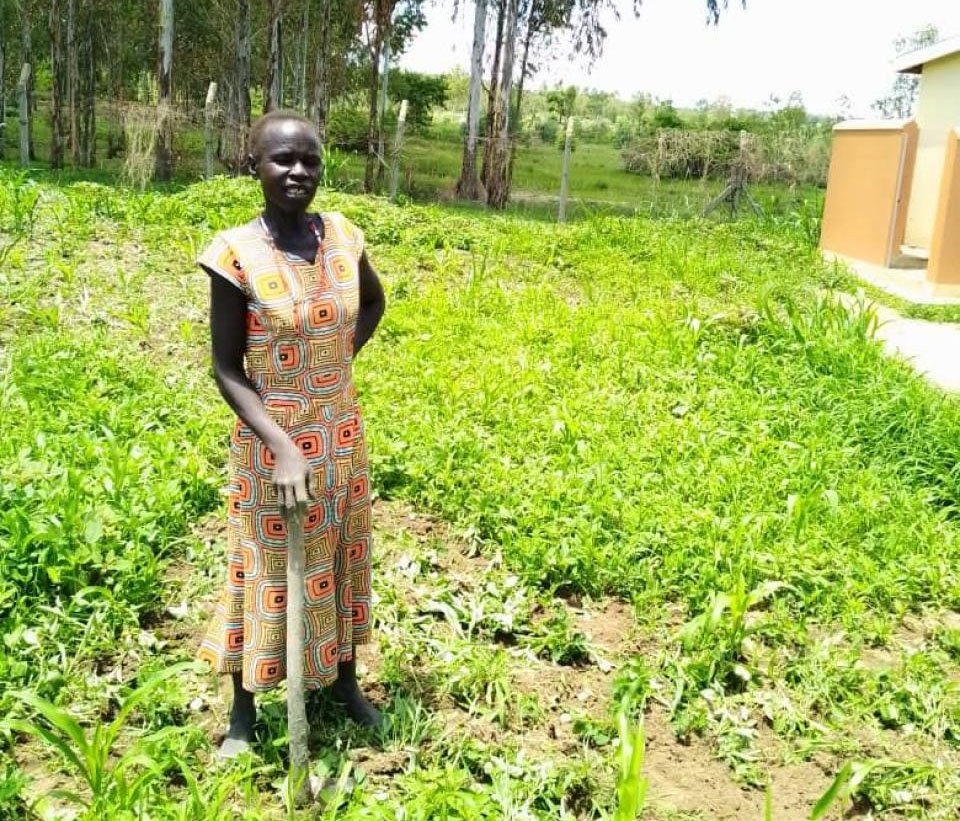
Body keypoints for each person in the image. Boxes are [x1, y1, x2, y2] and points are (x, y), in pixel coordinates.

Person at [196, 110, 386, 758]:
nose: (298, 171)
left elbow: (375, 303)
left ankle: (344, 684)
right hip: (270, 445)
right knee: (266, 571)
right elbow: (226, 368)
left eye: (309, 159)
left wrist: (334, 364)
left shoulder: (343, 236)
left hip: (340, 438)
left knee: (340, 558)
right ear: (254, 165)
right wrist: (281, 442)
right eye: (282, 159)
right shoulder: (234, 254)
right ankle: (244, 714)